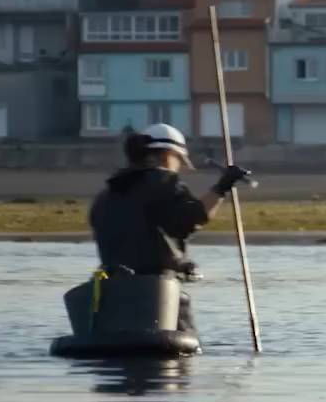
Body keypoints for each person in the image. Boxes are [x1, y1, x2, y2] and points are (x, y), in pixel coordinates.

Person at [88, 123, 253, 333]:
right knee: (182, 346)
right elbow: (193, 217)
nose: (179, 167)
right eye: (179, 160)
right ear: (168, 154)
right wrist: (223, 187)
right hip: (158, 296)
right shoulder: (164, 181)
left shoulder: (108, 192)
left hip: (112, 296)